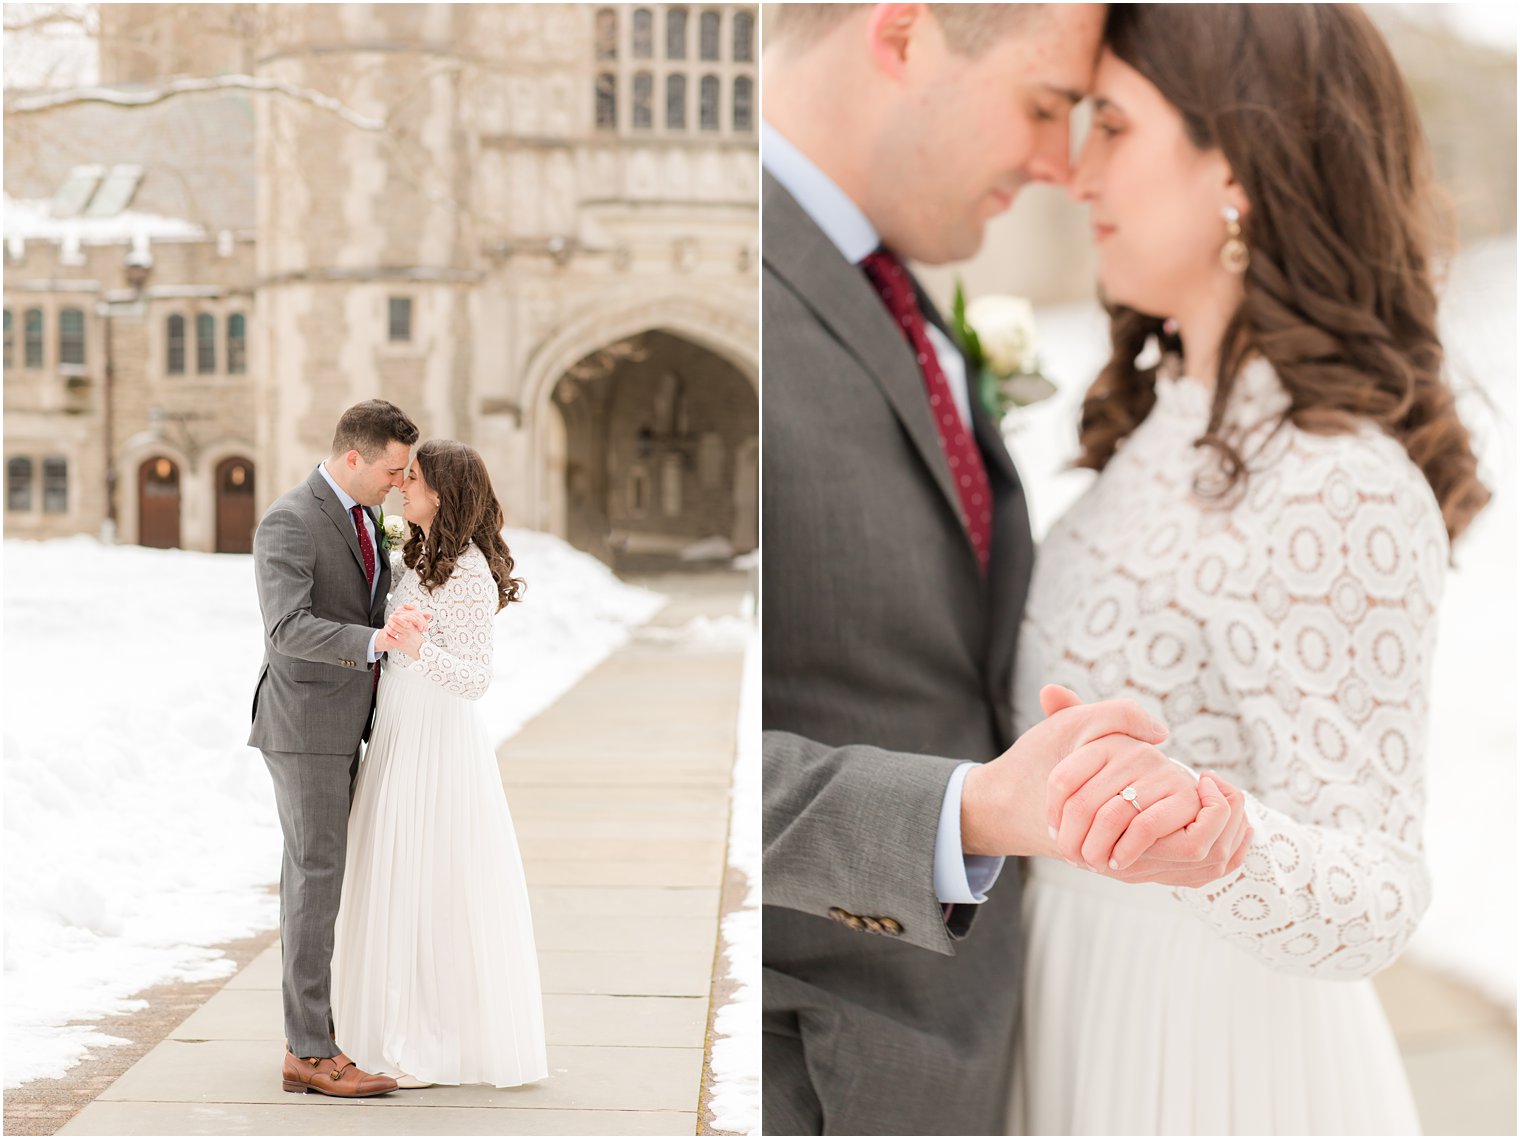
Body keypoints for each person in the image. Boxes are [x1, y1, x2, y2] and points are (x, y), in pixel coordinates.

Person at [760, 6, 1250, 1134]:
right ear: (900, 38)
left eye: (1093, 124)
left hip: (987, 1063)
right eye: (1042, 107)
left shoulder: (885, 279)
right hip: (801, 1073)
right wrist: (966, 808)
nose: (1055, 164)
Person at [1011, 5, 1490, 1133]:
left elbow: (1378, 892)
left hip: (1204, 1056)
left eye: (1113, 129)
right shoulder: (1161, 418)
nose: (1074, 175)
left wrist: (1220, 837)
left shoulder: (1335, 479)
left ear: (1236, 168)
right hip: (1071, 999)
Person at [331, 438, 548, 1089]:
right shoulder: (422, 558)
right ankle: (384, 1020)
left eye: (415, 477)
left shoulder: (472, 574)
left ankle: (431, 1032)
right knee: (392, 873)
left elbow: (476, 679)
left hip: (437, 743)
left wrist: (419, 648)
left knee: (428, 880)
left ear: (443, 493)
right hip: (399, 731)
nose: (403, 485)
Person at [249, 398, 417, 1097]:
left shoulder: (366, 516)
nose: (400, 483)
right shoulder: (289, 520)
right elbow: (288, 629)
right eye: (393, 469)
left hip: (348, 722)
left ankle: (311, 1036)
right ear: (354, 457)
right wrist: (374, 642)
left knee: (317, 880)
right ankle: (309, 1050)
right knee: (315, 881)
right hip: (306, 727)